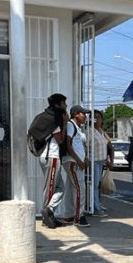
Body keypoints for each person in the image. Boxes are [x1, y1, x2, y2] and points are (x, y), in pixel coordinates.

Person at [39, 93, 68, 229]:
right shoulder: (54, 120)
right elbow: (60, 140)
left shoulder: (47, 118)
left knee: (60, 188)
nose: (66, 106)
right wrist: (65, 123)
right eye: (63, 103)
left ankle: (49, 211)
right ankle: (47, 216)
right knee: (50, 188)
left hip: (47, 156)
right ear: (57, 105)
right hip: (52, 156)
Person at [63, 105, 90, 227]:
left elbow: (78, 145)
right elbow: (68, 144)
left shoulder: (78, 128)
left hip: (75, 162)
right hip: (73, 162)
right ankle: (79, 217)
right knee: (80, 188)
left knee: (71, 188)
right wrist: (79, 161)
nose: (85, 116)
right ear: (75, 115)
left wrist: (85, 158)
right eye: (83, 114)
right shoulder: (70, 125)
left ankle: (69, 215)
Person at [88, 110, 113, 216]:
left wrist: (108, 158)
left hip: (100, 161)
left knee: (97, 185)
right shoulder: (90, 131)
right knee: (93, 185)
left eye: (99, 117)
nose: (98, 120)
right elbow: (87, 145)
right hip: (93, 161)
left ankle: (96, 204)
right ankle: (95, 208)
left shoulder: (101, 131)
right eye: (95, 117)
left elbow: (107, 145)